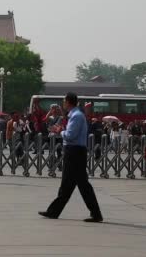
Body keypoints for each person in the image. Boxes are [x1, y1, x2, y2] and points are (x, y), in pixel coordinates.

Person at [39, 93, 103, 223]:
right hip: (75, 152)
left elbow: (70, 136)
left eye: (64, 101)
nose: (63, 103)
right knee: (71, 185)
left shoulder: (76, 116)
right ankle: (54, 211)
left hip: (74, 152)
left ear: (68, 102)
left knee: (75, 184)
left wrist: (59, 131)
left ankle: (95, 214)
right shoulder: (76, 115)